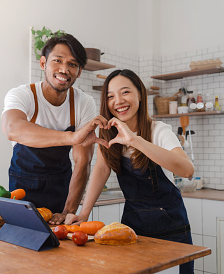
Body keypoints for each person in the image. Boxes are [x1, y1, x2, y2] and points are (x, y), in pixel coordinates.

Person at [65, 69, 195, 274]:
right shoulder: (109, 133)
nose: (118, 101)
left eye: (125, 92)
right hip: (131, 228)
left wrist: (135, 140)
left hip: (170, 230)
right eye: (110, 96)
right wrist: (84, 213)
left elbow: (187, 169)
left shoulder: (158, 131)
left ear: (140, 95)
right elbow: (101, 168)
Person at [1, 32, 108, 224]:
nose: (64, 69)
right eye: (57, 61)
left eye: (72, 64)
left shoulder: (84, 103)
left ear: (79, 71)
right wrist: (71, 137)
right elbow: (12, 128)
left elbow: (83, 161)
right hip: (21, 188)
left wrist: (69, 211)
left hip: (61, 192)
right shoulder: (23, 95)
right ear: (43, 63)